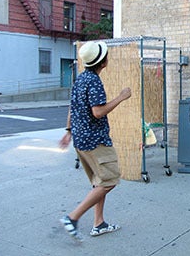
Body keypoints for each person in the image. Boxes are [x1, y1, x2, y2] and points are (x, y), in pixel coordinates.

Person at [59, 41, 132, 241]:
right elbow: (98, 112)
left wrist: (68, 131)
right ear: (103, 62)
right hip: (96, 141)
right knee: (110, 180)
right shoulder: (94, 81)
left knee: (99, 182)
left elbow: (72, 108)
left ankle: (98, 224)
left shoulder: (80, 79)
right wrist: (121, 97)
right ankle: (72, 217)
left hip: (81, 141)